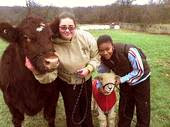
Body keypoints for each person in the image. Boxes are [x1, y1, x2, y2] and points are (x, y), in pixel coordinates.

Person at [25, 11, 100, 127]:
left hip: (86, 80)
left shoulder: (86, 37)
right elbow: (50, 76)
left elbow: (96, 57)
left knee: (86, 108)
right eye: (63, 27)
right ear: (57, 28)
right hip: (67, 84)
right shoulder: (52, 45)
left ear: (75, 26)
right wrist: (35, 71)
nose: (67, 30)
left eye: (71, 27)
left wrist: (89, 69)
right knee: (72, 112)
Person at [96, 34, 151, 127]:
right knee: (125, 106)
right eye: (101, 50)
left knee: (142, 107)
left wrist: (122, 80)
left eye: (107, 49)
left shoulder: (129, 51)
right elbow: (102, 75)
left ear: (112, 46)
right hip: (124, 80)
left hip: (141, 80)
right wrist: (99, 86)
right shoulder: (104, 60)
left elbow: (139, 71)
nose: (105, 53)